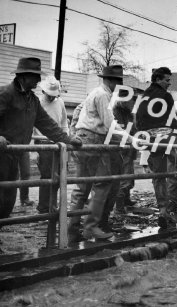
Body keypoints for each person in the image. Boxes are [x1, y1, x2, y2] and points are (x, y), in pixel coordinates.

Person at [0, 57, 81, 219]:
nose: (38, 80)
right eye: (35, 76)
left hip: (15, 153)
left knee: (8, 197)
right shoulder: (6, 93)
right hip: (1, 154)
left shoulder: (32, 100)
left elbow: (48, 125)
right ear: (23, 76)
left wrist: (68, 138)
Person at [68, 65, 134, 240]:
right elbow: (109, 124)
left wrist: (74, 132)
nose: (118, 86)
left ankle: (72, 229)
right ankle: (91, 226)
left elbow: (83, 116)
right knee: (103, 183)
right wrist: (130, 139)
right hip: (94, 139)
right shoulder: (104, 95)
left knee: (82, 187)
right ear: (111, 81)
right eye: (118, 81)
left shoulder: (94, 93)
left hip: (83, 138)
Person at [136, 67, 177, 230]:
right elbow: (172, 119)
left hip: (150, 138)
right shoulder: (165, 96)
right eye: (167, 80)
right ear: (157, 79)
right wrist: (176, 134)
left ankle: (164, 210)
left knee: (159, 174)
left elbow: (139, 119)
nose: (169, 83)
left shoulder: (144, 96)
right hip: (166, 135)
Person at [34, 76, 69, 213]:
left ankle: (53, 204)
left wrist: (66, 138)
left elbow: (64, 121)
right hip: (43, 141)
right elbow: (32, 125)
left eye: (54, 95)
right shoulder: (37, 103)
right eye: (49, 95)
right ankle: (43, 207)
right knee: (47, 175)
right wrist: (34, 150)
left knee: (60, 174)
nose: (52, 97)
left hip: (59, 141)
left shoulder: (60, 102)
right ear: (43, 91)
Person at [112, 88, 142, 213]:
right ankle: (119, 205)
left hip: (129, 147)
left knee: (129, 175)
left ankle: (126, 199)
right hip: (122, 148)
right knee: (124, 176)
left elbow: (134, 128)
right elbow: (118, 130)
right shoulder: (116, 112)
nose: (134, 102)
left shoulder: (130, 113)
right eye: (133, 99)